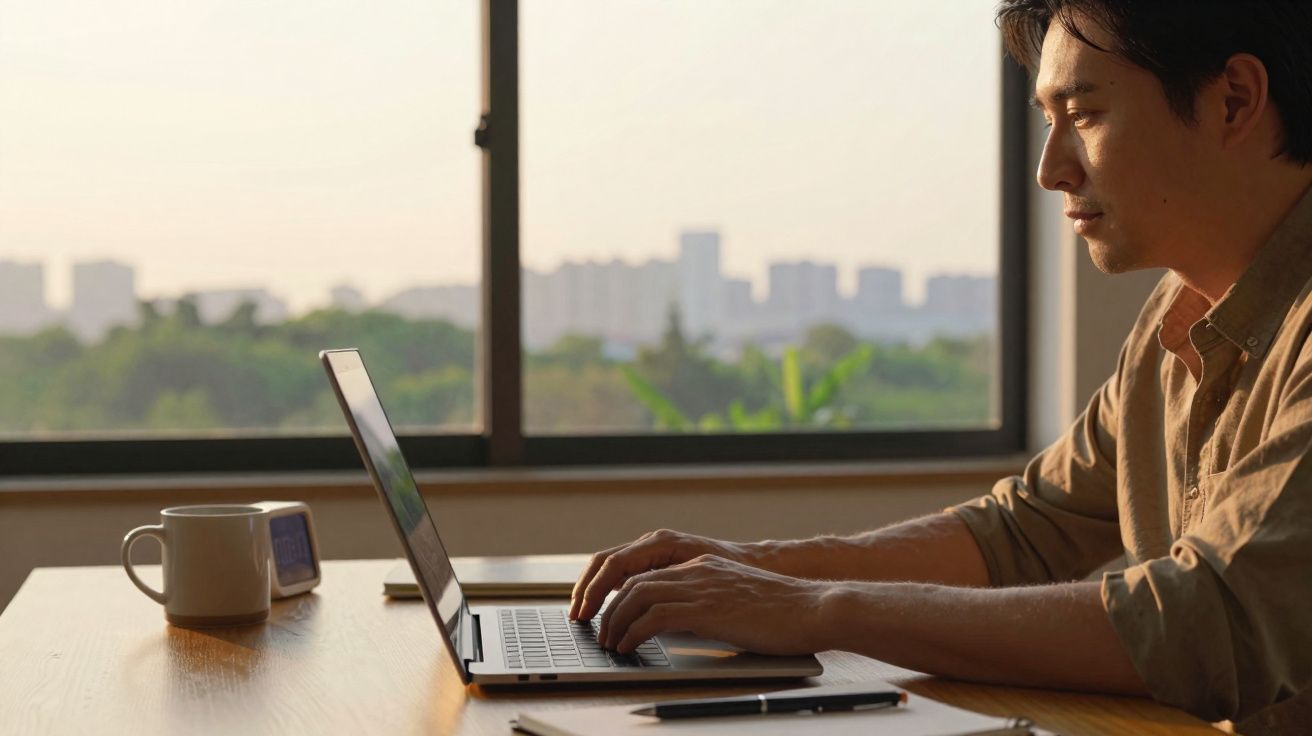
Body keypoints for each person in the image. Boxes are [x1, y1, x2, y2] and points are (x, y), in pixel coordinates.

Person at [568, 1, 1312, 732]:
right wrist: (758, 570)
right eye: (1048, 120)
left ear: (1234, 100)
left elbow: (1208, 622)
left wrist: (816, 610)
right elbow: (1023, 533)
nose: (1051, 169)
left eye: (1083, 115)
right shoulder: (1175, 317)